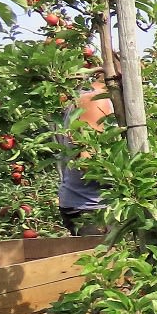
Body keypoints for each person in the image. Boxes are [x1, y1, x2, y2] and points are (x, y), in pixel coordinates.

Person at [57, 77, 113, 236]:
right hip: (92, 208)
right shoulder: (96, 101)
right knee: (104, 261)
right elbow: (87, 165)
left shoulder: (100, 98)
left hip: (98, 205)